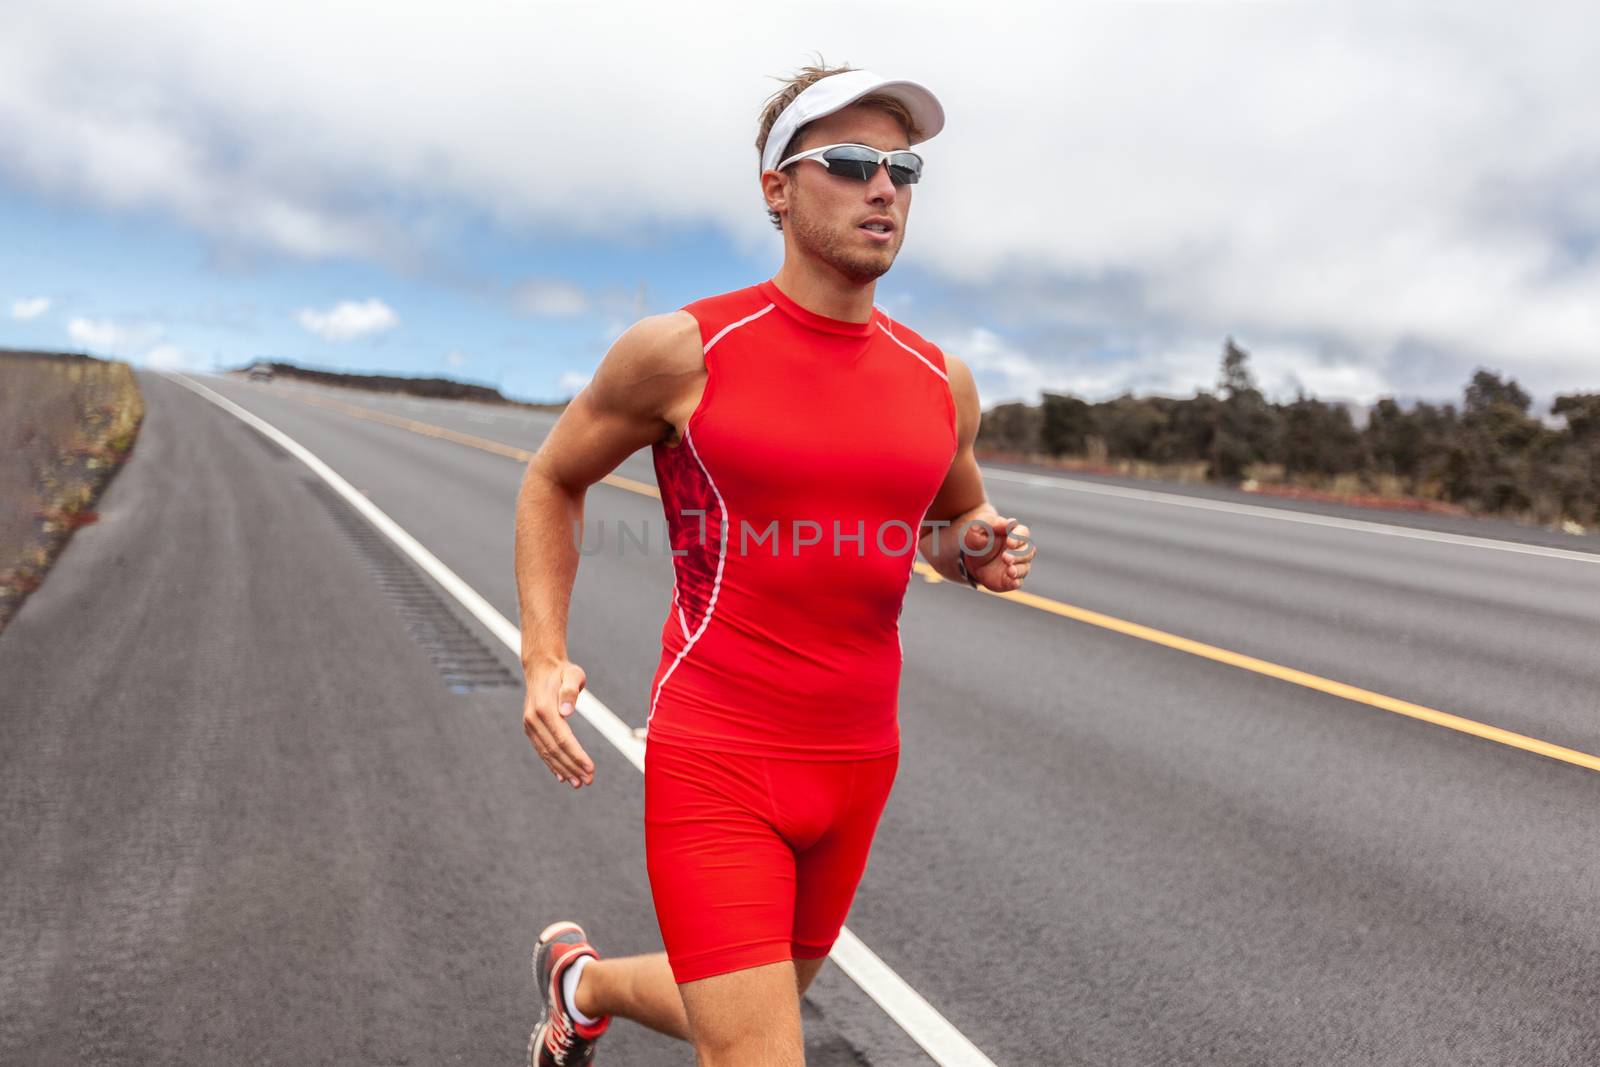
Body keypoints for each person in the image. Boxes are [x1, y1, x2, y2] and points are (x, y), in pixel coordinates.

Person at [513, 61, 1037, 1067]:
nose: (883, 187)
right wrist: (544, 654)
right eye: (847, 162)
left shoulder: (941, 379)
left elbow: (947, 517)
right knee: (756, 1049)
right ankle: (581, 986)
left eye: (903, 168)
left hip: (858, 757)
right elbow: (550, 481)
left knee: (755, 1001)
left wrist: (977, 548)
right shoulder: (686, 350)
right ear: (777, 189)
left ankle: (577, 982)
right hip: (719, 750)